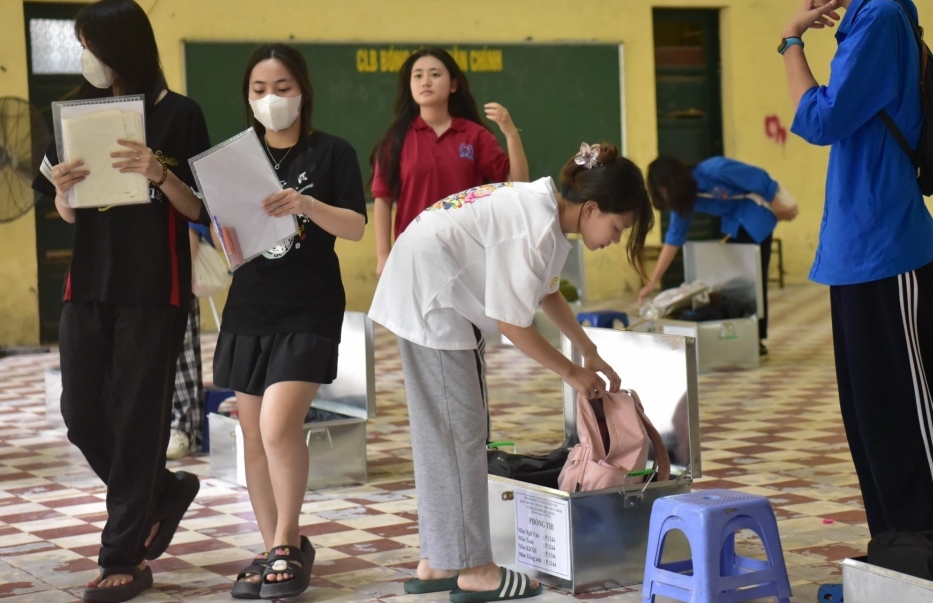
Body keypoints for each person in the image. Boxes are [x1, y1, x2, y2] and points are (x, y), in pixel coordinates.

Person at [369, 142, 654, 602]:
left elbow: (547, 293)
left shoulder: (548, 216)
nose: (615, 239)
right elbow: (512, 324)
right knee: (458, 435)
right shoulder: (535, 228)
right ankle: (476, 569)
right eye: (617, 227)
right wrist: (571, 373)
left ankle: (440, 559)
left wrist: (588, 351)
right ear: (593, 208)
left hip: (428, 292)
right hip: (433, 300)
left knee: (448, 435)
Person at [779, 0, 933, 536]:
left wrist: (791, 38)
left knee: (905, 425)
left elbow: (820, 119)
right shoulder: (863, 27)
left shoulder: (881, 20)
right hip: (856, 257)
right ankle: (895, 558)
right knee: (872, 424)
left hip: (892, 254)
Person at [32, 0, 210, 601]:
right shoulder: (78, 112)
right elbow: (67, 212)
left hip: (152, 288)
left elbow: (201, 209)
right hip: (87, 286)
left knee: (137, 422)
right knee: (81, 415)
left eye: (91, 46)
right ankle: (161, 491)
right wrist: (62, 190)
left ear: (121, 49)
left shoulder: (179, 115)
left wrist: (159, 173)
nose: (85, 57)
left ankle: (124, 556)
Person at [211, 44, 367, 599]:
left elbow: (354, 227)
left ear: (302, 91)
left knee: (279, 427)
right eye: (258, 89)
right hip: (249, 309)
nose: (270, 99)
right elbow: (221, 230)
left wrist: (304, 205)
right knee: (253, 435)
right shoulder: (234, 158)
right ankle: (271, 544)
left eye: (281, 87)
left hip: (310, 308)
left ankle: (287, 543)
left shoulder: (332, 153)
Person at [370, 47, 529, 277]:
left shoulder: (475, 135)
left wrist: (511, 134)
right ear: (410, 86)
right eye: (417, 76)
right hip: (414, 255)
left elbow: (519, 184)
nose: (426, 82)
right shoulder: (395, 140)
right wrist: (384, 256)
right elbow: (382, 200)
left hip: (469, 255)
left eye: (435, 74)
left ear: (453, 85)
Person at [640, 155, 798, 354]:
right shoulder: (684, 200)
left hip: (757, 220)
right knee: (735, 282)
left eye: (666, 190)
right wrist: (653, 280)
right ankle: (743, 335)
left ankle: (755, 339)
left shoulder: (715, 169)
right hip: (735, 225)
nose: (667, 196)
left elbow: (759, 179)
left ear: (674, 179)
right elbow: (674, 238)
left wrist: (779, 207)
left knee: (752, 281)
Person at [165, 224, 209, 460]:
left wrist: (185, 263)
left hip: (175, 265)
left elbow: (193, 220)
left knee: (182, 351)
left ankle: (183, 430)